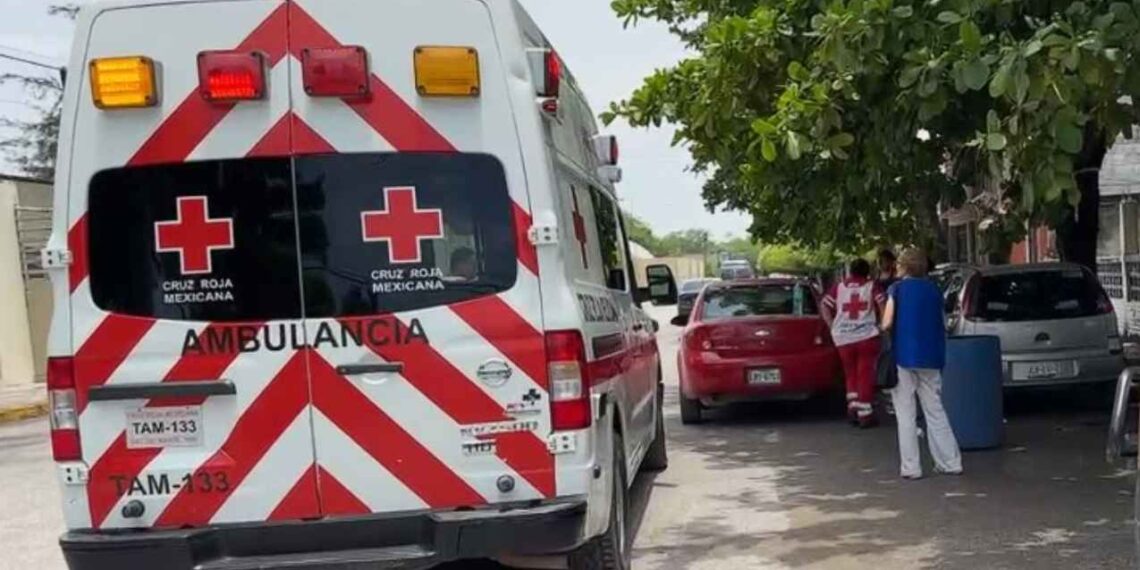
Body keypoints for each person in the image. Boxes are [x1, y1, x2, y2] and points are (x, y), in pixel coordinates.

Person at [881, 248, 962, 480]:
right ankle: (950, 462)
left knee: (905, 413)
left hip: (904, 358)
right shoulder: (935, 290)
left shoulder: (896, 289)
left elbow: (886, 323)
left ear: (904, 267)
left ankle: (911, 468)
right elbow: (943, 323)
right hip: (932, 358)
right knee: (935, 410)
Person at [823, 258, 886, 428]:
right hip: (866, 336)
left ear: (850, 271)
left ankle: (852, 409)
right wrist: (882, 325)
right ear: (867, 271)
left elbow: (825, 305)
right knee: (865, 373)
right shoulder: (871, 286)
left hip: (843, 337)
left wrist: (832, 326)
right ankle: (865, 414)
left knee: (850, 373)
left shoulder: (839, 286)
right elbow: (882, 303)